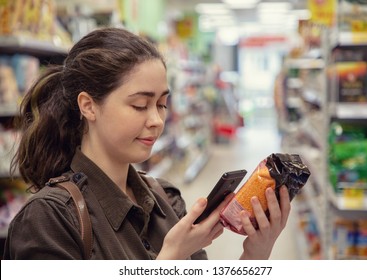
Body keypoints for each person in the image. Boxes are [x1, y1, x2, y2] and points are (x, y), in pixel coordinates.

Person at [3, 27, 291, 260]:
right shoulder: (49, 220)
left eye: (162, 104)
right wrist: (170, 260)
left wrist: (255, 254)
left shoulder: (167, 200)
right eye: (140, 105)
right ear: (89, 106)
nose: (156, 120)